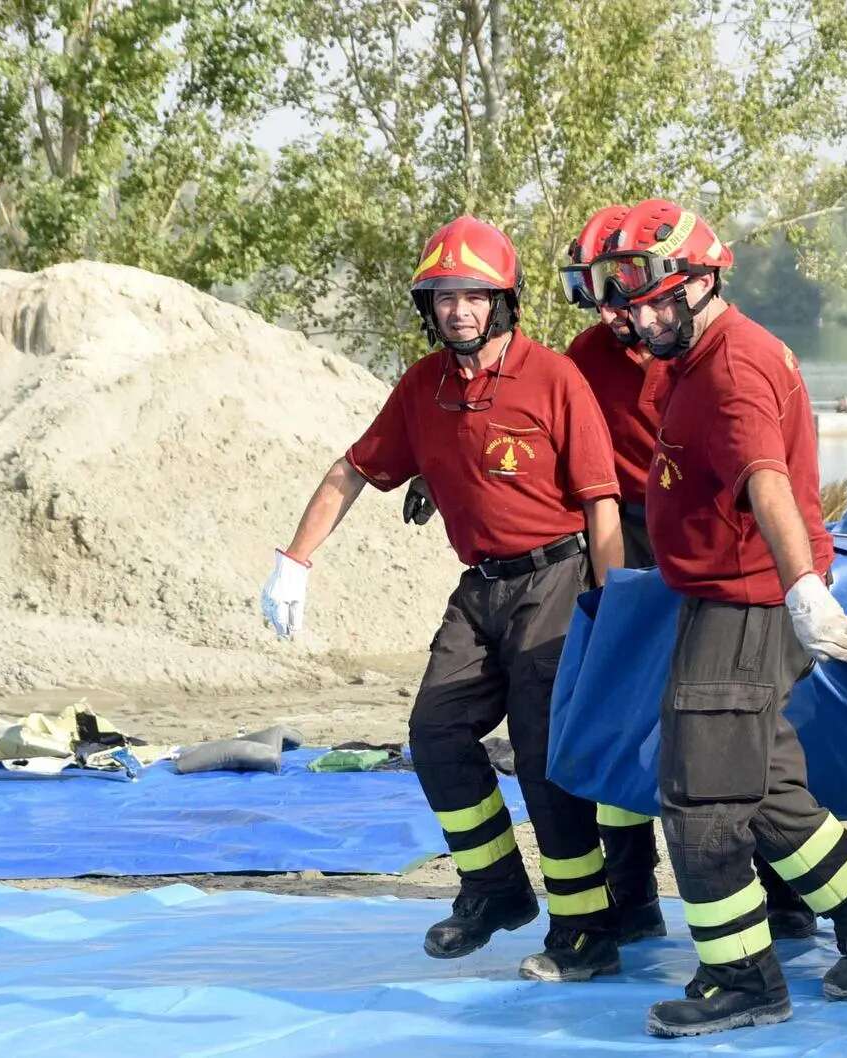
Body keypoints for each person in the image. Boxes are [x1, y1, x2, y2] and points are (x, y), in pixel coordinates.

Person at [589, 199, 847, 1037]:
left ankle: (742, 977)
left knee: (699, 795)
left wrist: (803, 589)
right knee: (765, 783)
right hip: (725, 595)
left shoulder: (732, 370)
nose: (636, 319)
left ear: (703, 284)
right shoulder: (697, 354)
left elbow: (767, 481)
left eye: (652, 300)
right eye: (628, 302)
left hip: (745, 602)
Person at [258, 216, 628, 982]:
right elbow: (352, 469)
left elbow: (600, 504)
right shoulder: (422, 388)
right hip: (480, 588)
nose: (458, 309)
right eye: (443, 295)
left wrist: (611, 600)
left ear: (504, 300)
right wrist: (294, 560)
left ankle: (586, 929)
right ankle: (495, 890)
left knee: (542, 757)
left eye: (474, 294)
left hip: (557, 580)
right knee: (433, 734)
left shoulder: (555, 378)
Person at [560, 204, 818, 943]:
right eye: (600, 293)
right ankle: (632, 893)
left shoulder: (721, 359)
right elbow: (574, 459)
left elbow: (765, 472)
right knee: (625, 716)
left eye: (631, 293)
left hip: (727, 550)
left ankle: (788, 902)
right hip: (638, 543)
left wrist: (800, 582)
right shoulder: (591, 360)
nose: (619, 314)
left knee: (731, 744)